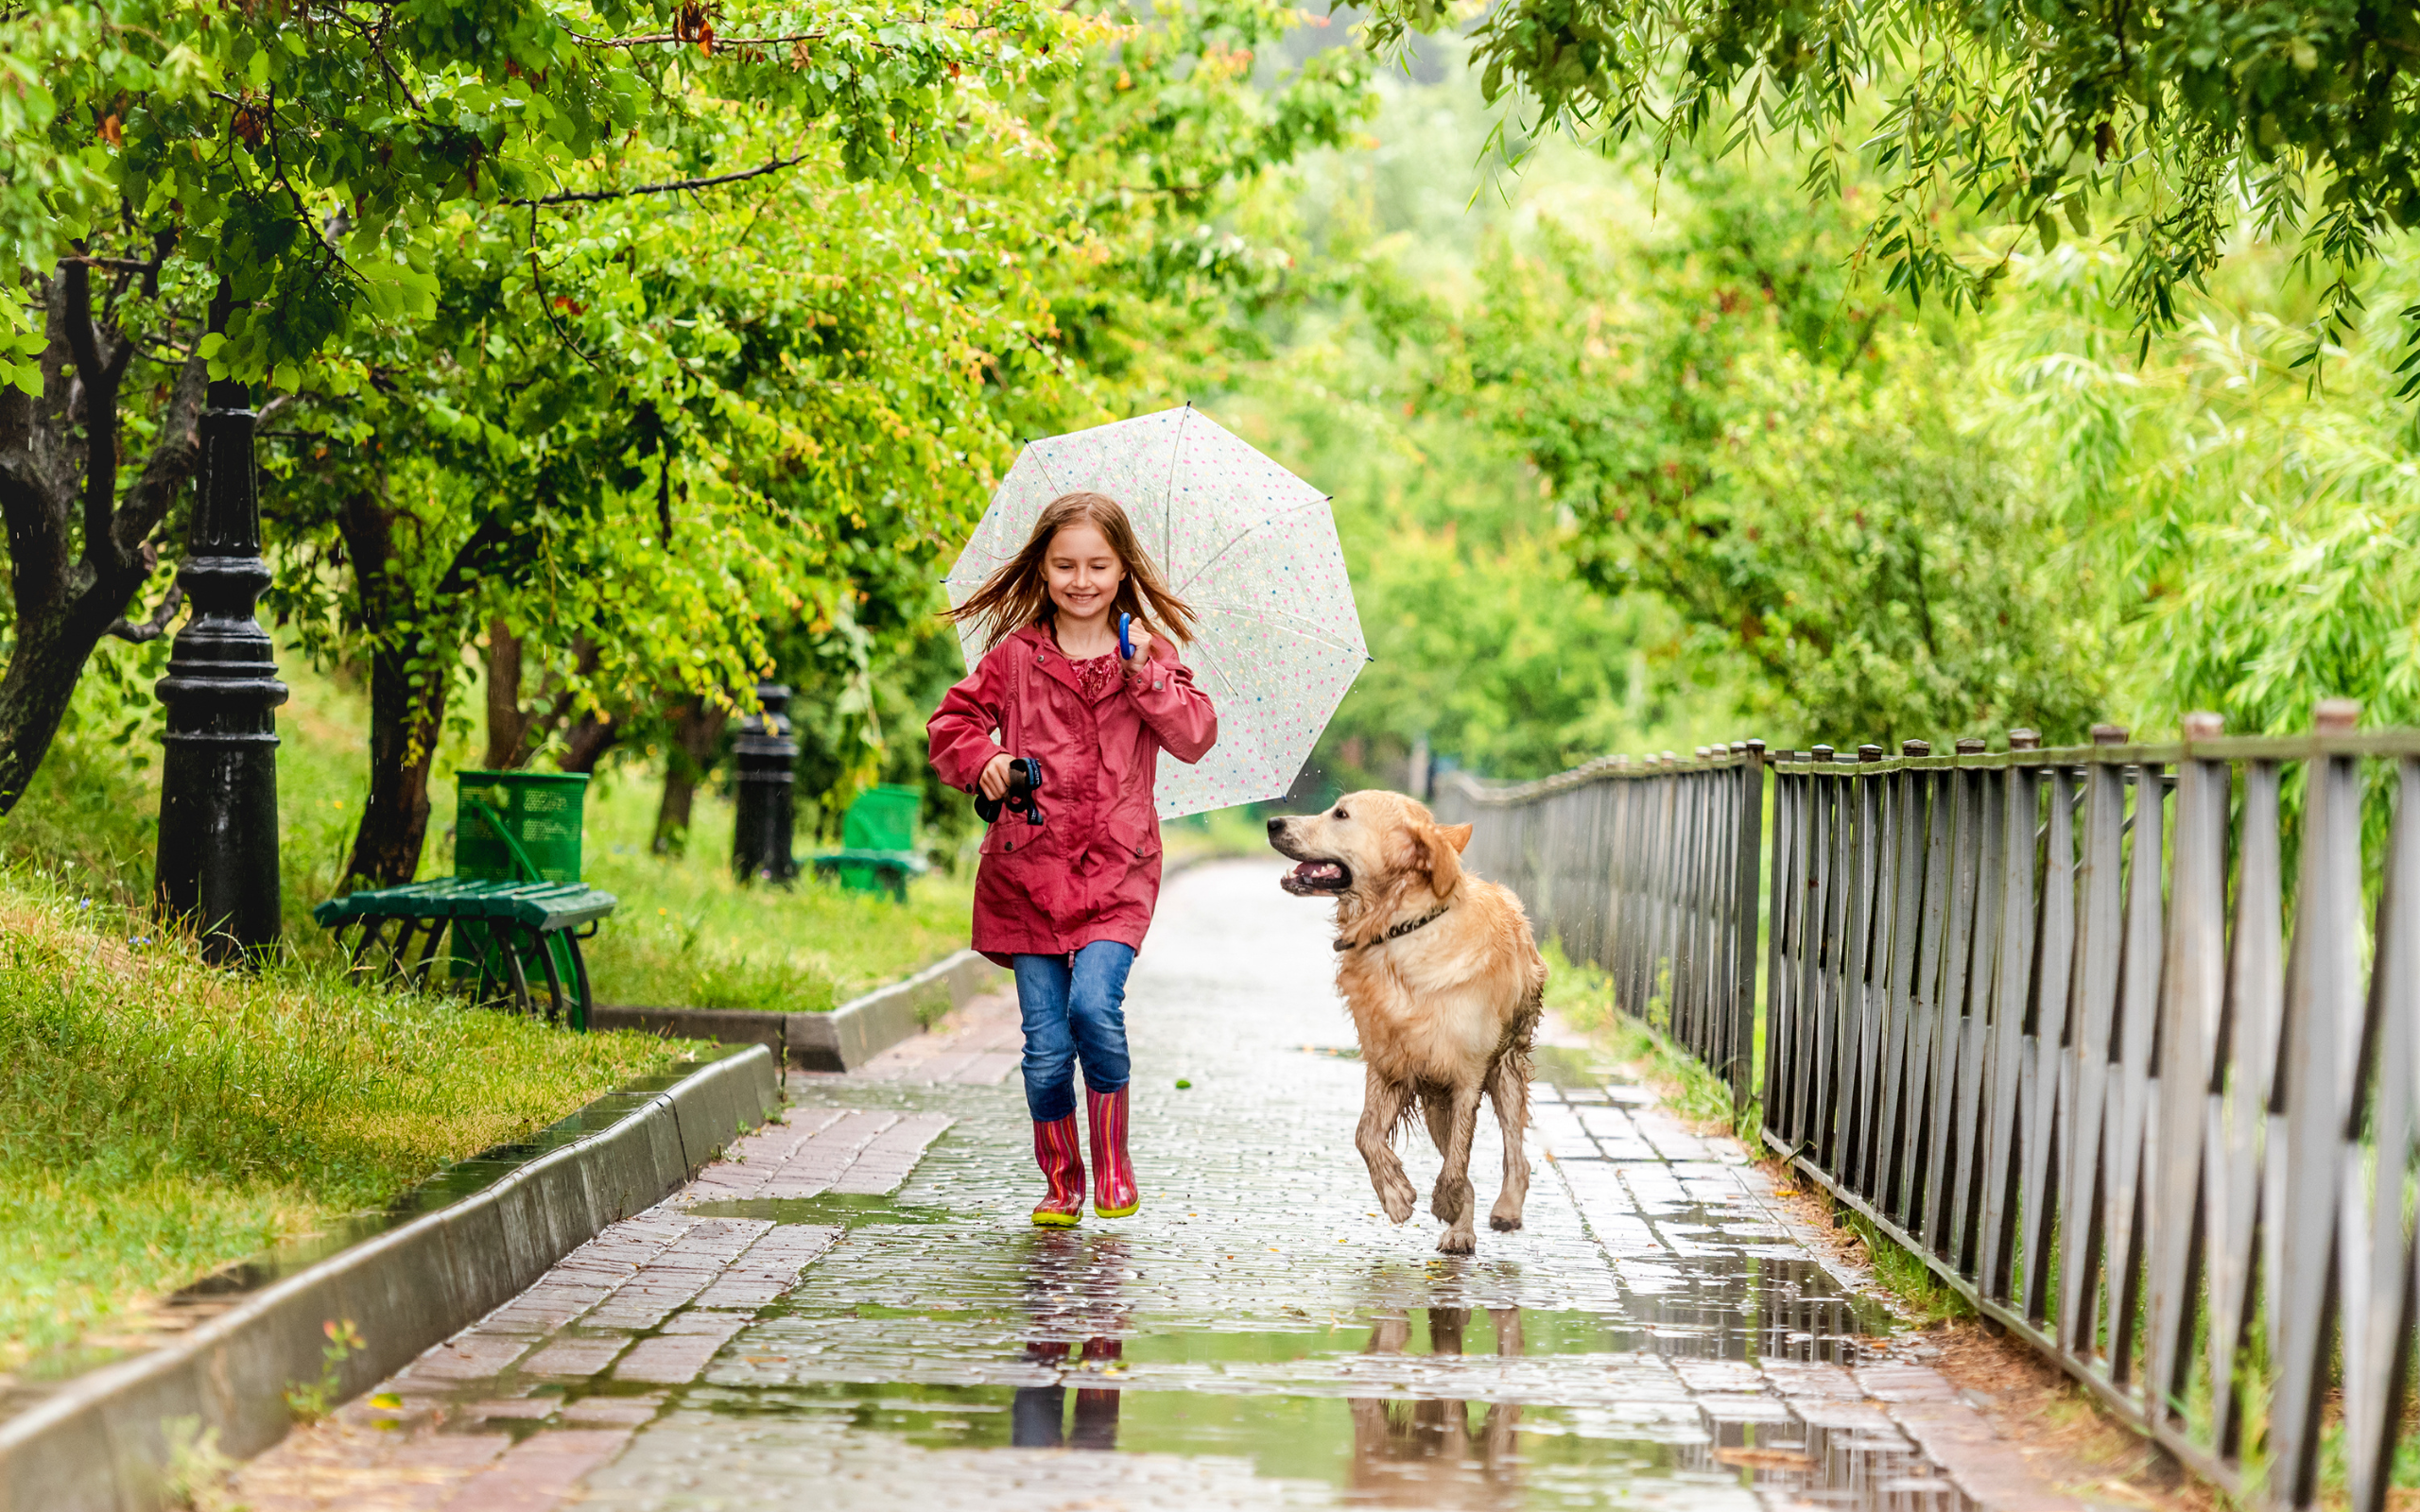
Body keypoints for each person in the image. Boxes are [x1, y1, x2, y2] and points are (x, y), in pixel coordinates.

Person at [928, 490, 1218, 1225]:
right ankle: (1062, 1179)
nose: (1081, 580)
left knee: (1095, 1008)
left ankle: (1114, 1163)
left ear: (1123, 571)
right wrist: (986, 758)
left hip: (1118, 872)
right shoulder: (1018, 657)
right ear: (1044, 569)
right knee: (1047, 1049)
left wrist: (1145, 674)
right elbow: (953, 722)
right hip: (1027, 875)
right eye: (1064, 565)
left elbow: (1194, 736)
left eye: (1097, 565)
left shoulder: (1149, 656)